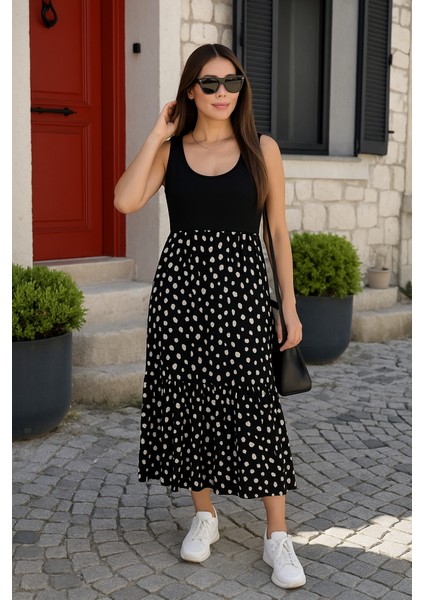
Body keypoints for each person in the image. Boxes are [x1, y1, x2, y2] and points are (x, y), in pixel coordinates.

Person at [114, 43, 306, 590]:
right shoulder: (171, 151)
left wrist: (288, 305)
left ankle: (277, 535)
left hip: (243, 295)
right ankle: (205, 514)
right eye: (210, 83)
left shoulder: (262, 148)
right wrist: (158, 133)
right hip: (181, 296)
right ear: (191, 92)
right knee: (189, 400)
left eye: (232, 82)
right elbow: (125, 200)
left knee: (255, 405)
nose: (223, 93)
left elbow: (277, 231)